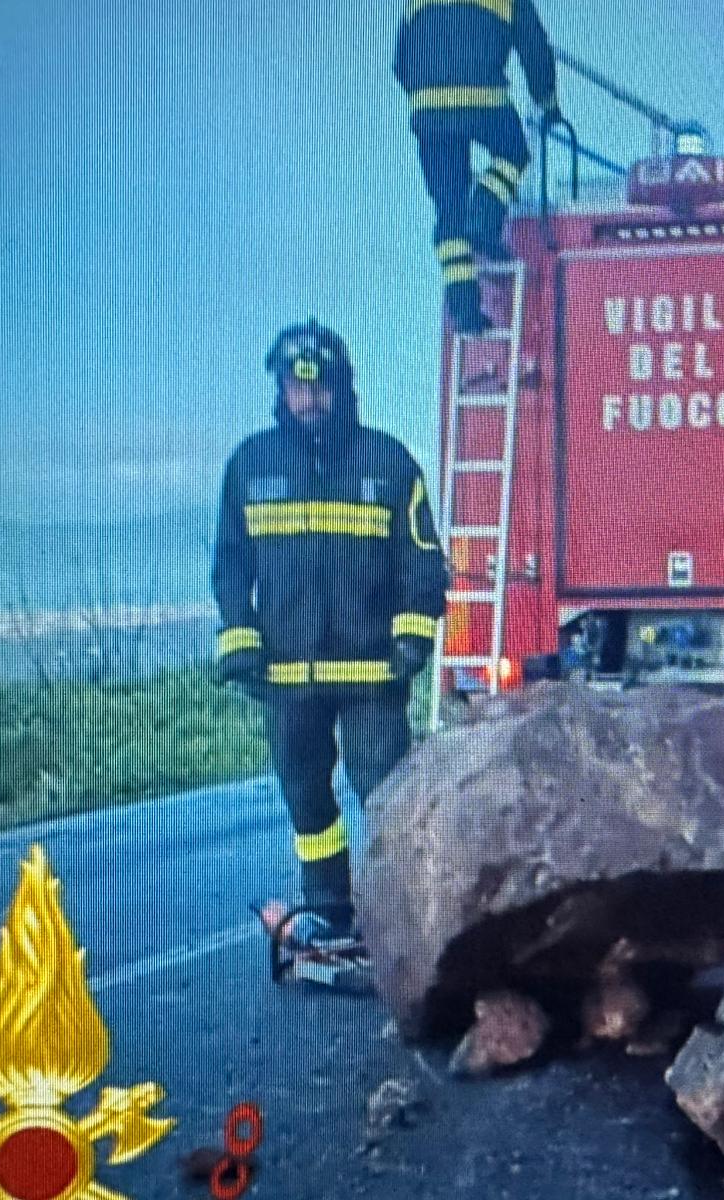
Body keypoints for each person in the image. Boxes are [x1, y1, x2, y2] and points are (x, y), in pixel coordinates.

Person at [211, 320, 449, 947]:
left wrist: (412, 636)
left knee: (390, 800)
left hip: (373, 674)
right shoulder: (250, 466)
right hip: (288, 677)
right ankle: (331, 913)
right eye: (297, 387)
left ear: (342, 387)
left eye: (319, 387)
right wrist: (240, 641)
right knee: (309, 806)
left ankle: (410, 917)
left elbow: (422, 559)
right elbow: (230, 565)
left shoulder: (388, 463)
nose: (308, 399)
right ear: (281, 390)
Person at [393, 0, 560, 333]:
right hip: (482, 98)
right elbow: (534, 49)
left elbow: (399, 64)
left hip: (428, 111)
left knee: (449, 209)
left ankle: (465, 310)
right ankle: (485, 214)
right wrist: (548, 103)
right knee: (513, 153)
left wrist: (429, 89)